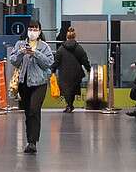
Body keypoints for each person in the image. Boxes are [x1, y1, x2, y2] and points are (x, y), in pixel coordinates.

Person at [6, 20, 54, 153]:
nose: (33, 31)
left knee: (34, 109)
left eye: (35, 28)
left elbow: (49, 62)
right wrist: (22, 52)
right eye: (31, 28)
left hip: (39, 84)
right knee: (28, 112)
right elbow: (13, 61)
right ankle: (30, 141)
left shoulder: (44, 46)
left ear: (39, 30)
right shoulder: (20, 44)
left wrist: (35, 53)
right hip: (23, 83)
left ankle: (33, 141)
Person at [54, 25, 92, 113]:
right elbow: (84, 60)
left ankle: (69, 105)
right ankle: (70, 105)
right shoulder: (79, 48)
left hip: (64, 73)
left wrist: (52, 70)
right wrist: (88, 69)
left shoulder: (61, 49)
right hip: (76, 73)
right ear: (74, 36)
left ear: (66, 37)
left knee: (66, 90)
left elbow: (57, 61)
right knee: (73, 89)